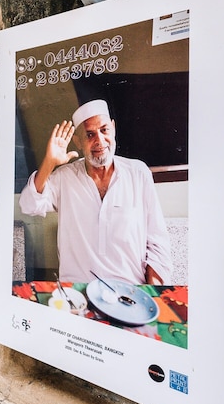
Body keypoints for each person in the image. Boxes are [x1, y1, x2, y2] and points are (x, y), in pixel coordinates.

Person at [19, 99, 172, 285]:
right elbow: (28, 205)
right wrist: (49, 162)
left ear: (113, 128)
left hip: (132, 291)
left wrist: (152, 295)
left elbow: (157, 243)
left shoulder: (138, 173)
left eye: (104, 130)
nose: (99, 141)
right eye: (90, 134)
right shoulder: (64, 178)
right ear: (78, 142)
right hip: (77, 294)